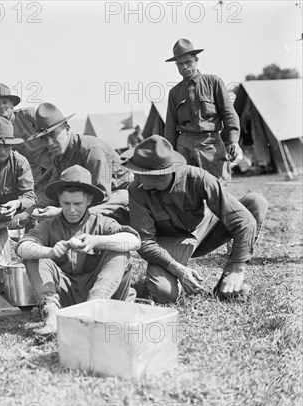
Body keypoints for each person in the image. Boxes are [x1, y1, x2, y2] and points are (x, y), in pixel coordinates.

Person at [122, 135, 268, 303]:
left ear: (159, 175)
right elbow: (145, 241)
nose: (135, 178)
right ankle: (173, 275)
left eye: (140, 174)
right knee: (164, 294)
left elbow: (244, 221)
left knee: (256, 203)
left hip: (204, 230)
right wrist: (177, 269)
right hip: (170, 242)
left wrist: (237, 267)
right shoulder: (137, 191)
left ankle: (226, 287)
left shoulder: (198, 178)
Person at [16, 165, 140, 337]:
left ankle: (93, 308)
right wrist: (49, 252)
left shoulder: (103, 223)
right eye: (66, 203)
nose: (71, 210)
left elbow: (134, 241)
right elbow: (22, 248)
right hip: (65, 296)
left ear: (89, 200)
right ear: (59, 200)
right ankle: (52, 316)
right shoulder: (49, 225)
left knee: (119, 250)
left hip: (103, 295)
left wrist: (98, 241)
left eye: (78, 203)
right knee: (34, 256)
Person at [18, 102, 133, 226]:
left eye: (53, 135)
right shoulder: (58, 156)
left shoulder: (91, 149)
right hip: (90, 199)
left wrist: (61, 211)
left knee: (89, 211)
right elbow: (53, 195)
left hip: (120, 195)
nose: (49, 143)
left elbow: (102, 194)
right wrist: (28, 213)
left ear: (67, 129)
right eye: (44, 138)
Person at [165, 38, 242, 184]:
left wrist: (233, 141)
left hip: (211, 144)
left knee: (218, 188)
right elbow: (170, 127)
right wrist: (172, 153)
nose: (185, 67)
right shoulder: (174, 93)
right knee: (188, 192)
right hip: (185, 147)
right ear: (176, 66)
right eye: (180, 64)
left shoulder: (214, 82)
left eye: (188, 62)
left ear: (196, 60)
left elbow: (229, 114)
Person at [0, 83, 52, 189]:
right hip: (33, 175)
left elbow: (52, 130)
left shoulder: (28, 114)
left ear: (12, 104)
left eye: (4, 102)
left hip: (52, 165)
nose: (1, 106)